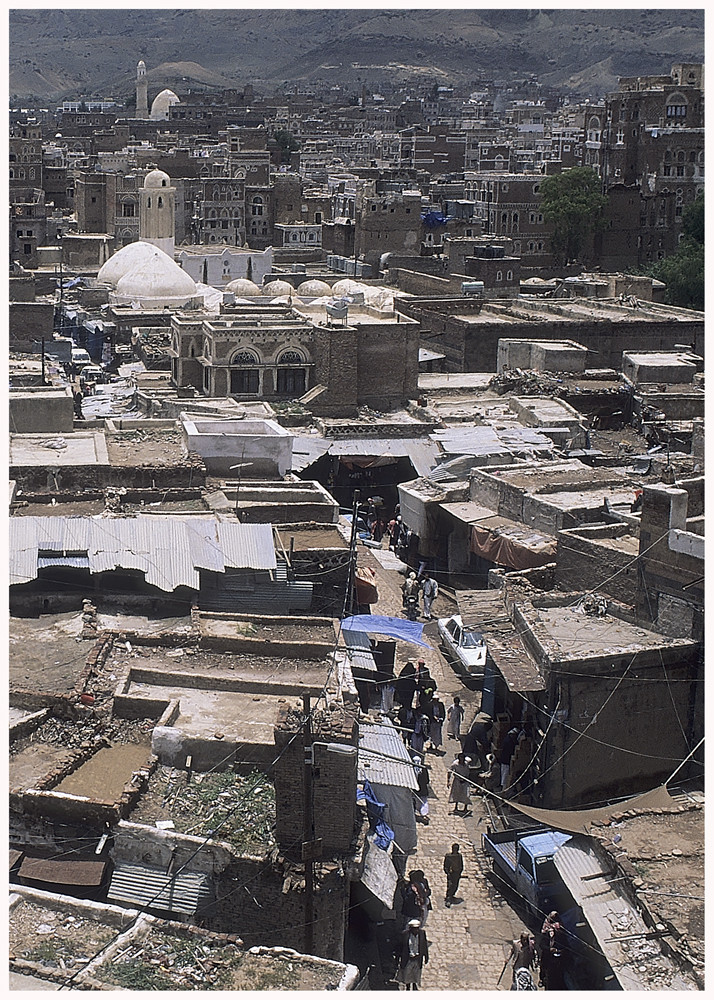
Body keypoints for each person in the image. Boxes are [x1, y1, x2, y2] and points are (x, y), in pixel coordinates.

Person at [397, 918, 429, 990]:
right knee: (407, 974)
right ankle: (408, 986)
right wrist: (397, 959)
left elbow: (424, 945)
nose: (416, 930)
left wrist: (426, 956)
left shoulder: (422, 934)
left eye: (417, 928)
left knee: (416, 973)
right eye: (414, 929)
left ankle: (415, 984)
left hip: (417, 959)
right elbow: (400, 948)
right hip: (408, 958)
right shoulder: (405, 935)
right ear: (410, 928)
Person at [539, 911, 566, 990]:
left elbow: (564, 943)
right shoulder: (546, 933)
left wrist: (562, 950)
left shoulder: (561, 933)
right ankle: (542, 979)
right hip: (547, 956)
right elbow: (541, 945)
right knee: (545, 968)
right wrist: (550, 949)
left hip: (557, 958)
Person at [443, 843, 463, 907]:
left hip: (457, 873)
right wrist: (447, 872)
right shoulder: (448, 856)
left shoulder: (459, 856)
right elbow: (446, 865)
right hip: (451, 873)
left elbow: (461, 864)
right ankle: (448, 897)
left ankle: (452, 895)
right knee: (450, 885)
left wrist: (460, 871)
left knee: (455, 885)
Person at [412, 754, 430, 823]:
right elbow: (427, 780)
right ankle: (424, 814)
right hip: (423, 789)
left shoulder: (412, 769)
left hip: (416, 789)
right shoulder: (423, 769)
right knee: (423, 802)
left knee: (416, 800)